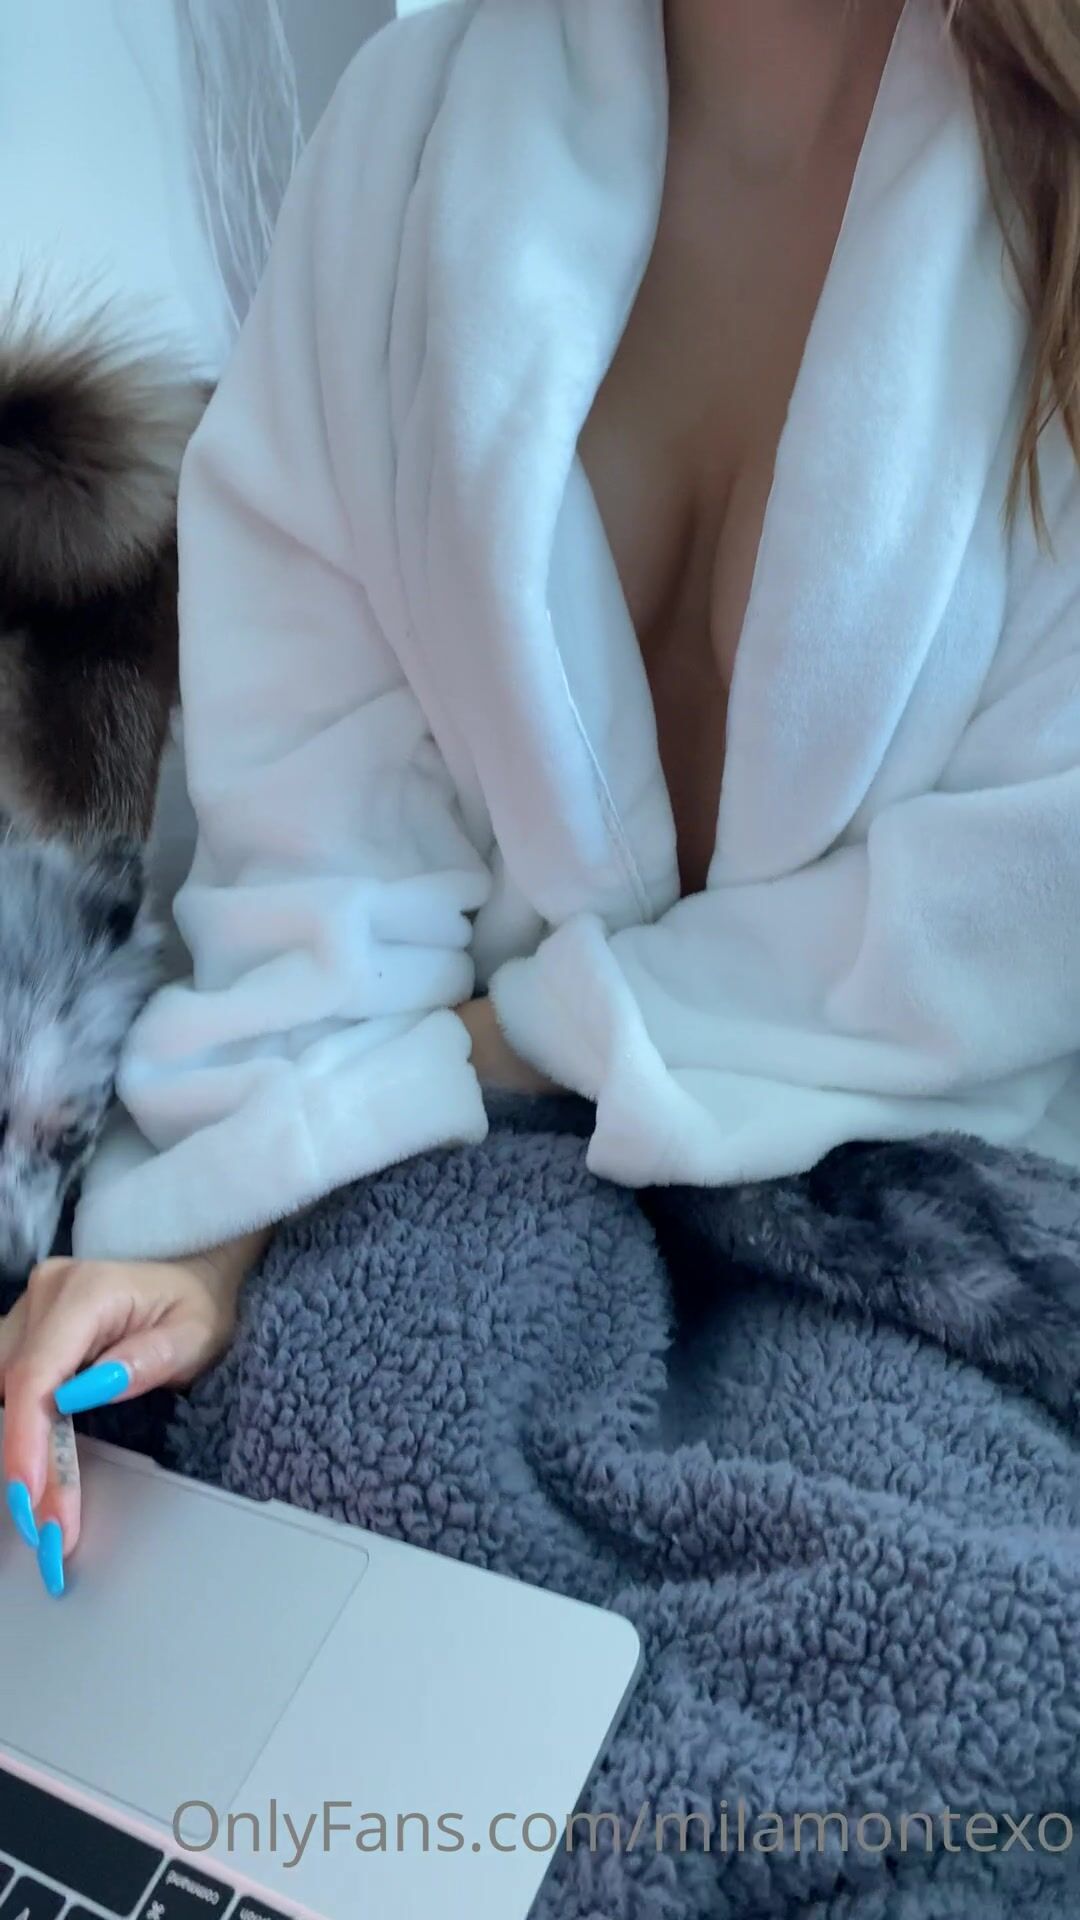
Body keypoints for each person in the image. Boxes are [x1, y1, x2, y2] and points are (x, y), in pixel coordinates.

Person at [5, 0, 1080, 1595]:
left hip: (936, 1215)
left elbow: (982, 948)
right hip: (454, 1181)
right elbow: (314, 828)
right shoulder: (408, 141)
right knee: (239, 1590)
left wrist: (447, 1065)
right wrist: (210, 1227)